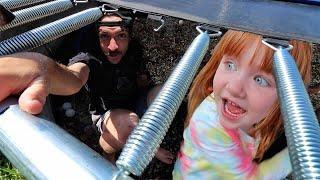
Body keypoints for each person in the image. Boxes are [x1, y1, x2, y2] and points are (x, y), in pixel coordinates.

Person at [0, 10, 173, 165]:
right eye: (104, 36)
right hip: (110, 113)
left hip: (136, 98)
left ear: (129, 36)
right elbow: (74, 77)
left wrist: (143, 79)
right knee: (126, 126)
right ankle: (108, 156)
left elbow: (141, 76)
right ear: (96, 38)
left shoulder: (134, 49)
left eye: (121, 36)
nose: (113, 46)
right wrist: (44, 69)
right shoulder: (88, 59)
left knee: (168, 91)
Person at [173, 30, 312, 179]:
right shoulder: (207, 129)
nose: (234, 87)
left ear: (287, 95)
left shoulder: (235, 106)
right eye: (230, 65)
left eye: (260, 80)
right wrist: (307, 149)